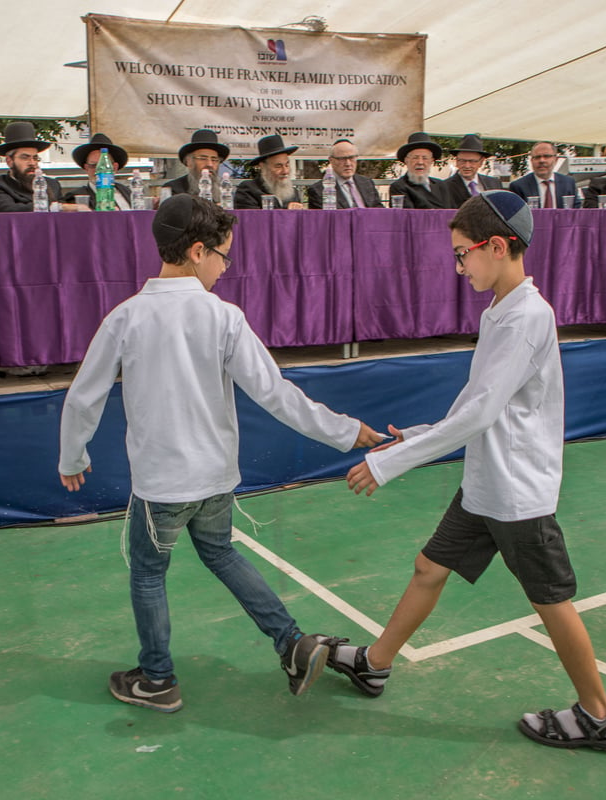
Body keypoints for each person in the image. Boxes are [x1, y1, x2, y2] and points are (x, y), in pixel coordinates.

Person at [58, 195, 383, 713]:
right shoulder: (224, 317)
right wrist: (344, 431)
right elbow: (276, 394)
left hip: (161, 486)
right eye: (223, 257)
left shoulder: (126, 317)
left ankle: (157, 678)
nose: (226, 269)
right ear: (196, 251)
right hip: (215, 479)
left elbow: (84, 396)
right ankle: (290, 642)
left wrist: (72, 456)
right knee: (222, 553)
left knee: (148, 573)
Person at [329, 190, 606, 753]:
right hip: (486, 483)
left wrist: (390, 461)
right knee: (428, 568)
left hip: (516, 493)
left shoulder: (523, 319)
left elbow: (483, 413)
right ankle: (375, 664)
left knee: (550, 600)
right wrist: (417, 436)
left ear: (497, 246)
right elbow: (477, 404)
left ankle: (599, 715)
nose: (459, 264)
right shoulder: (501, 311)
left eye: (463, 253)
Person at [0, 121, 79, 213]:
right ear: (9, 161)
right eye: (25, 158)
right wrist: (57, 207)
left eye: (35, 158)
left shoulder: (51, 184)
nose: (32, 163)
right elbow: (8, 210)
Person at [62, 133, 133, 209]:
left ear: (114, 168)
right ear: (86, 168)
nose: (98, 171)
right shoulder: (76, 196)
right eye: (93, 165)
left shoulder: (128, 191)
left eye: (104, 166)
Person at [306, 139, 383, 209]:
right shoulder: (319, 190)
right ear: (331, 160)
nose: (348, 163)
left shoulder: (367, 183)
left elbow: (379, 210)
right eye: (342, 159)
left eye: (351, 158)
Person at [161, 129, 231, 205]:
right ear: (188, 162)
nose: (210, 164)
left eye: (214, 159)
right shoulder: (173, 189)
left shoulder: (224, 188)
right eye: (203, 158)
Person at [234, 135, 305, 209]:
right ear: (262, 167)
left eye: (287, 165)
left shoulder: (293, 194)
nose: (285, 171)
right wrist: (286, 213)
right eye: (278, 166)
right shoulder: (248, 190)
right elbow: (251, 219)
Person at [437, 134, 503, 208]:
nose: (467, 166)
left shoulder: (494, 183)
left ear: (481, 162)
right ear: (456, 161)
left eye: (472, 161)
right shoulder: (444, 187)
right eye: (462, 161)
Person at [388, 132, 448, 209]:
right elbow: (407, 216)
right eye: (415, 158)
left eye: (425, 158)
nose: (420, 162)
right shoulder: (399, 187)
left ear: (431, 161)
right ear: (406, 160)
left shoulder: (441, 185)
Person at [508, 142, 579, 208]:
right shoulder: (519, 186)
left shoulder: (569, 183)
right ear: (531, 160)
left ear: (556, 159)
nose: (542, 160)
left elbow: (577, 213)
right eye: (537, 157)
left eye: (546, 156)